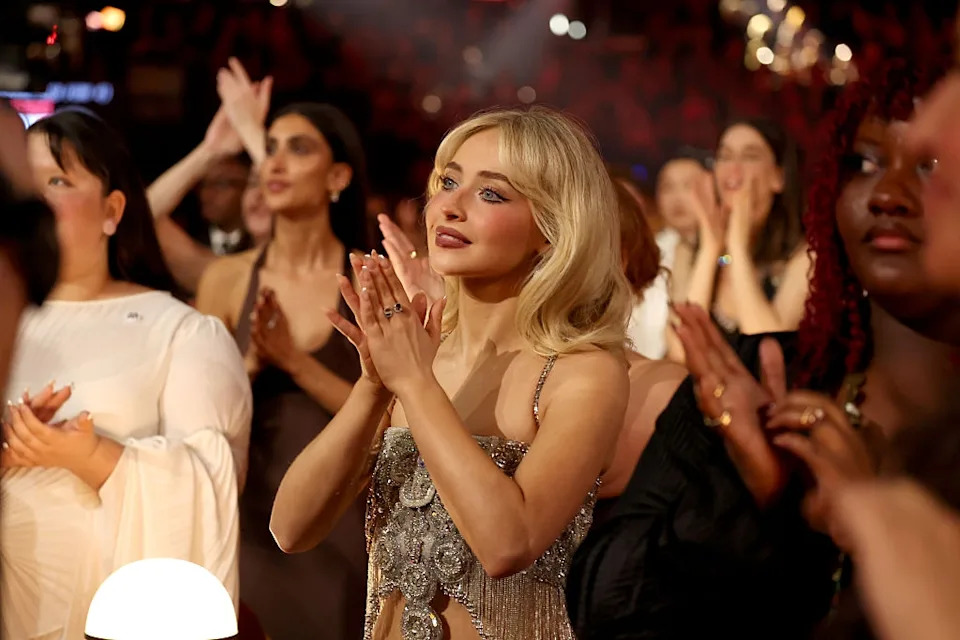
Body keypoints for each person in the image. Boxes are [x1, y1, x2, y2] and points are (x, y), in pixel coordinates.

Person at [566, 61, 960, 640]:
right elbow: (602, 602)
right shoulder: (754, 377)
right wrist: (748, 496)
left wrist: (865, 524)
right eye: (865, 164)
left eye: (929, 165)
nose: (887, 194)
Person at [270, 107, 633, 640]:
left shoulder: (585, 373)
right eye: (447, 182)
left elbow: (507, 544)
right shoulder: (418, 354)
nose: (449, 207)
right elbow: (291, 528)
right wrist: (374, 386)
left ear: (552, 229)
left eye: (491, 194)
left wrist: (415, 384)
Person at [1, 108, 251, 639]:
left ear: (112, 210)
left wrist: (90, 455)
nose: (37, 202)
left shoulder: (181, 333)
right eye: (26, 186)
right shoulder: (7, 320)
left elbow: (213, 486)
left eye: (58, 181)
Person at [196, 93, 371, 637]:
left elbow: (395, 418)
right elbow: (198, 415)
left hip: (349, 515)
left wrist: (294, 362)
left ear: (338, 177)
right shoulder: (226, 279)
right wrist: (252, 361)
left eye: (298, 149)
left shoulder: (369, 279)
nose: (274, 163)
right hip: (249, 516)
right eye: (269, 148)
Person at [666, 119, 809, 362]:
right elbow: (680, 352)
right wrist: (710, 250)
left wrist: (737, 248)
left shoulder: (804, 257)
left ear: (779, 177)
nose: (733, 168)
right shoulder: (689, 250)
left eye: (750, 156)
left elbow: (770, 358)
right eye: (725, 156)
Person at [147, 77, 272, 294]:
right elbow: (139, 216)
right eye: (253, 183)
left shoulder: (329, 272)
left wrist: (251, 132)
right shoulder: (222, 274)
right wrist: (209, 152)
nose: (259, 195)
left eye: (271, 186)